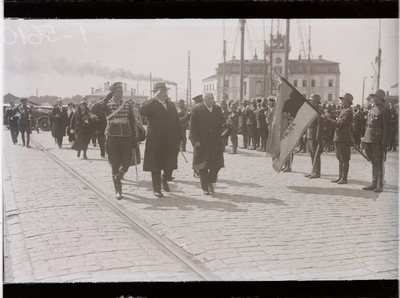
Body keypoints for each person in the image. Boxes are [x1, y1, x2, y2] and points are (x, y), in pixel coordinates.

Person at [92, 82, 137, 200]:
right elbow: (93, 110)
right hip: (112, 137)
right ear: (113, 93)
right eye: (117, 92)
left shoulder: (127, 105)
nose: (120, 94)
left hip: (126, 137)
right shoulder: (107, 105)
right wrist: (106, 98)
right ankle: (118, 189)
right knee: (115, 164)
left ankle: (120, 175)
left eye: (121, 92)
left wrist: (134, 137)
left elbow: (132, 122)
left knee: (127, 162)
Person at [139, 81, 181, 198]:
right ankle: (156, 189)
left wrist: (180, 138)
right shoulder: (152, 104)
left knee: (170, 163)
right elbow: (142, 112)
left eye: (165, 91)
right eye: (162, 91)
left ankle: (165, 178)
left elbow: (176, 121)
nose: (165, 93)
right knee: (155, 165)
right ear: (157, 93)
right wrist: (153, 98)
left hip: (170, 139)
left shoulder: (171, 104)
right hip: (156, 139)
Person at [190, 92, 225, 195]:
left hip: (215, 142)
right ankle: (205, 187)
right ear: (204, 100)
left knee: (216, 165)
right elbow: (193, 127)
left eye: (212, 98)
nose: (211, 100)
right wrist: (195, 141)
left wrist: (225, 126)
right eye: (209, 98)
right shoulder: (196, 110)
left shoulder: (217, 109)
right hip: (202, 143)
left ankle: (210, 181)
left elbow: (221, 122)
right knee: (203, 166)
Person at [362, 89, 391, 193]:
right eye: (373, 96)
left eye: (375, 96)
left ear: (381, 98)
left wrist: (384, 142)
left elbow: (387, 128)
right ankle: (374, 183)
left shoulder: (384, 110)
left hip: (378, 139)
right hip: (369, 138)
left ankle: (380, 184)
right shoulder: (372, 109)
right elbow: (367, 125)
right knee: (373, 161)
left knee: (379, 162)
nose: (373, 98)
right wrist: (364, 138)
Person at [327, 93, 354, 184]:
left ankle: (344, 178)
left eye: (343, 100)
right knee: (339, 158)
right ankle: (340, 176)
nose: (341, 102)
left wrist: (329, 120)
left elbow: (342, 124)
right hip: (338, 137)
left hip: (344, 138)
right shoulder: (343, 110)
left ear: (347, 101)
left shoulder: (348, 111)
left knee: (344, 158)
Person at [305, 93, 325, 178]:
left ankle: (317, 172)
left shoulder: (319, 111)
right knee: (311, 153)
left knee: (316, 154)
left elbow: (320, 125)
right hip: (310, 134)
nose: (310, 102)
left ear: (316, 102)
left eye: (312, 101)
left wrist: (318, 137)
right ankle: (313, 170)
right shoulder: (311, 110)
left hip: (315, 135)